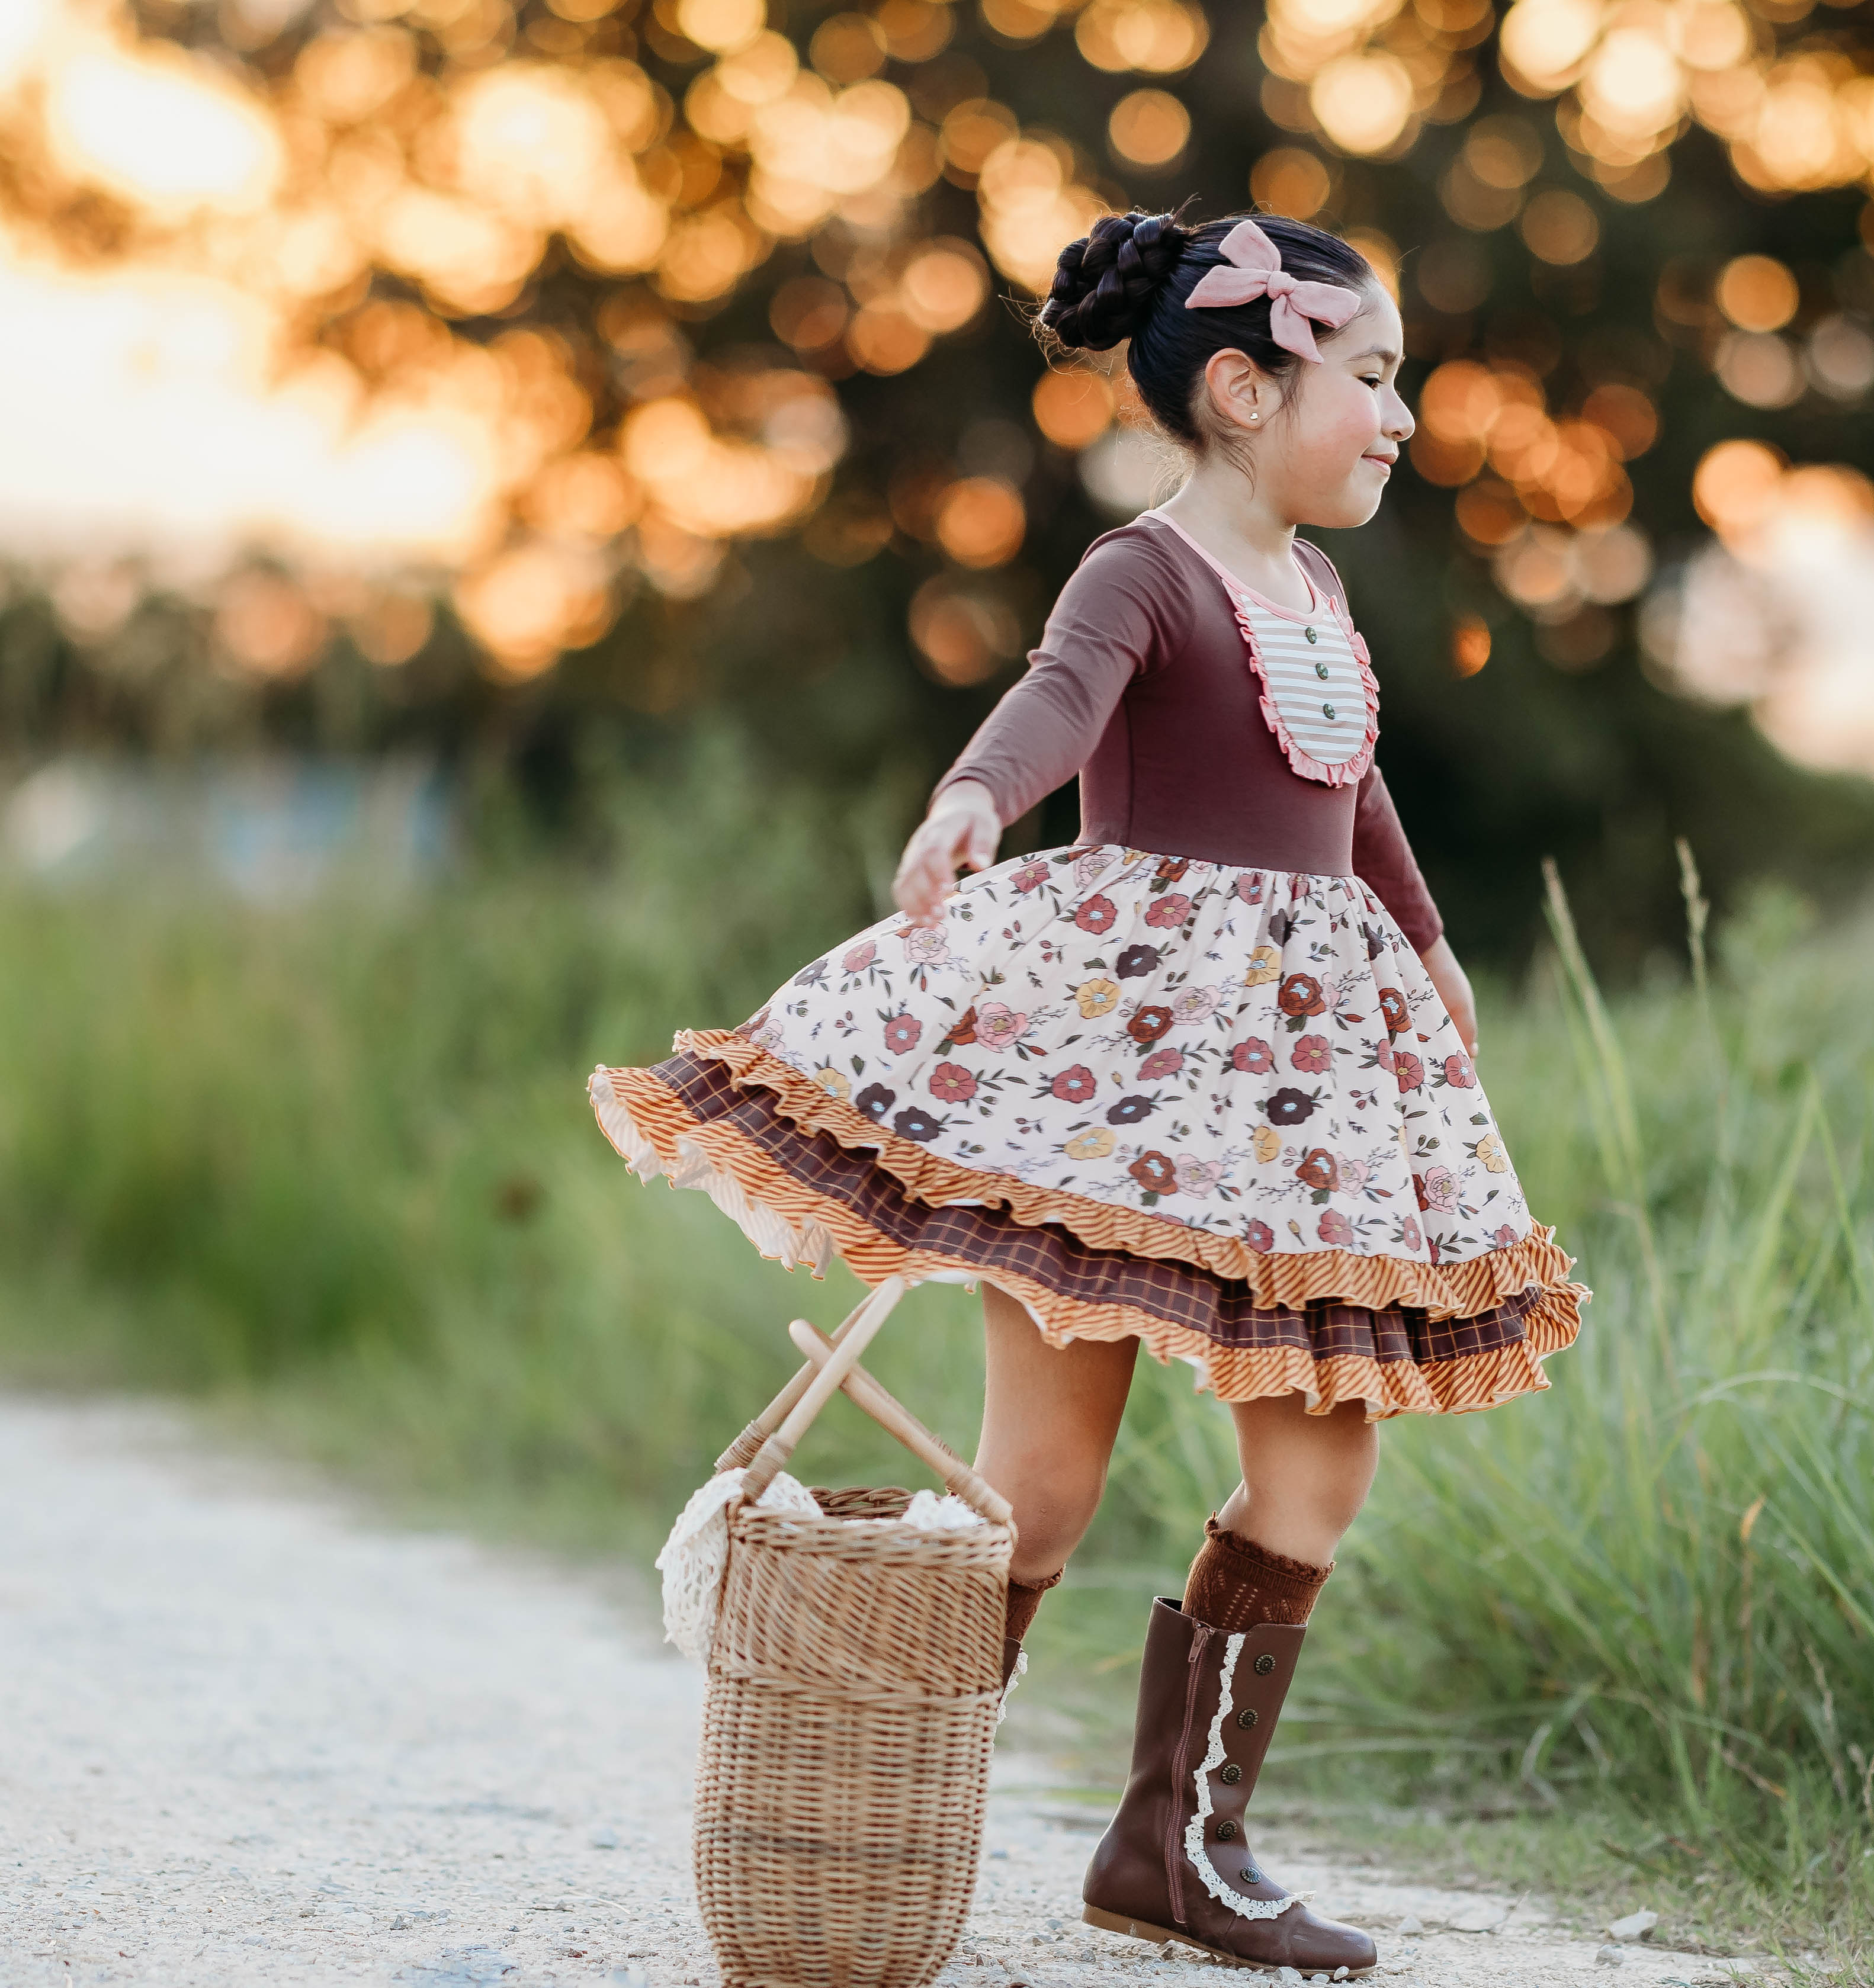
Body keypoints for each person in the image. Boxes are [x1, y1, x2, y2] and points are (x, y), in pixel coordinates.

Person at [589, 206, 1588, 1976]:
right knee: (1036, 1491)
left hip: (1297, 1096)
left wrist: (1423, 942)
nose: (1403, 417)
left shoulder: (1322, 590)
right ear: (1239, 387)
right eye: (1371, 378)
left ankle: (1176, 1843)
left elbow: (1351, 786)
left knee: (1320, 1468)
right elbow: (1060, 705)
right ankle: (883, 1806)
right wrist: (976, 803)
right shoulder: (1140, 573)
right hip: (1122, 1087)